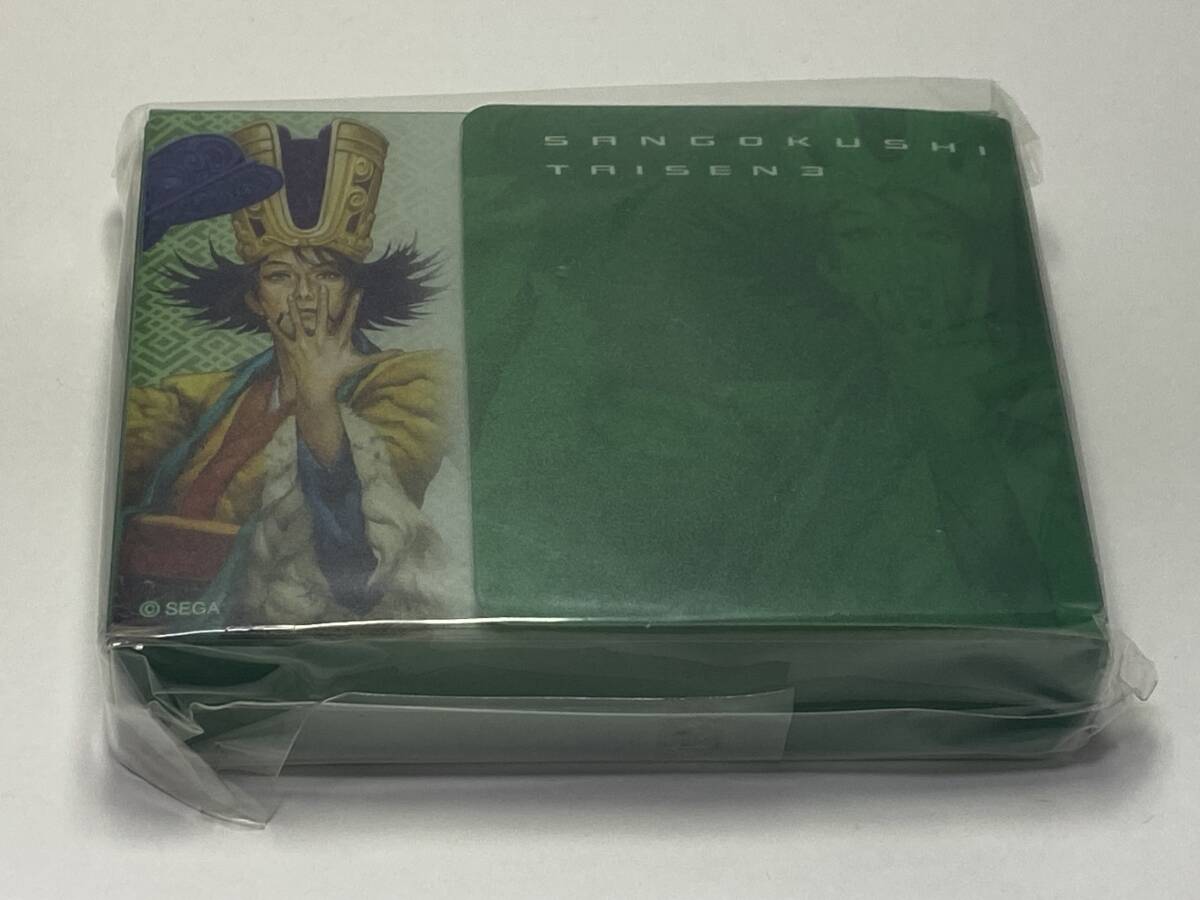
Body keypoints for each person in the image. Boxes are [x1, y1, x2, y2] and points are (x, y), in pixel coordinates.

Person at [118, 118, 461, 626]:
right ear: (255, 299)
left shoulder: (411, 380)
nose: (304, 296)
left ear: (355, 291)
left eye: (327, 274)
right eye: (280, 276)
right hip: (157, 614)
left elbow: (362, 554)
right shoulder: (205, 394)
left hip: (287, 621)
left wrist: (319, 404)